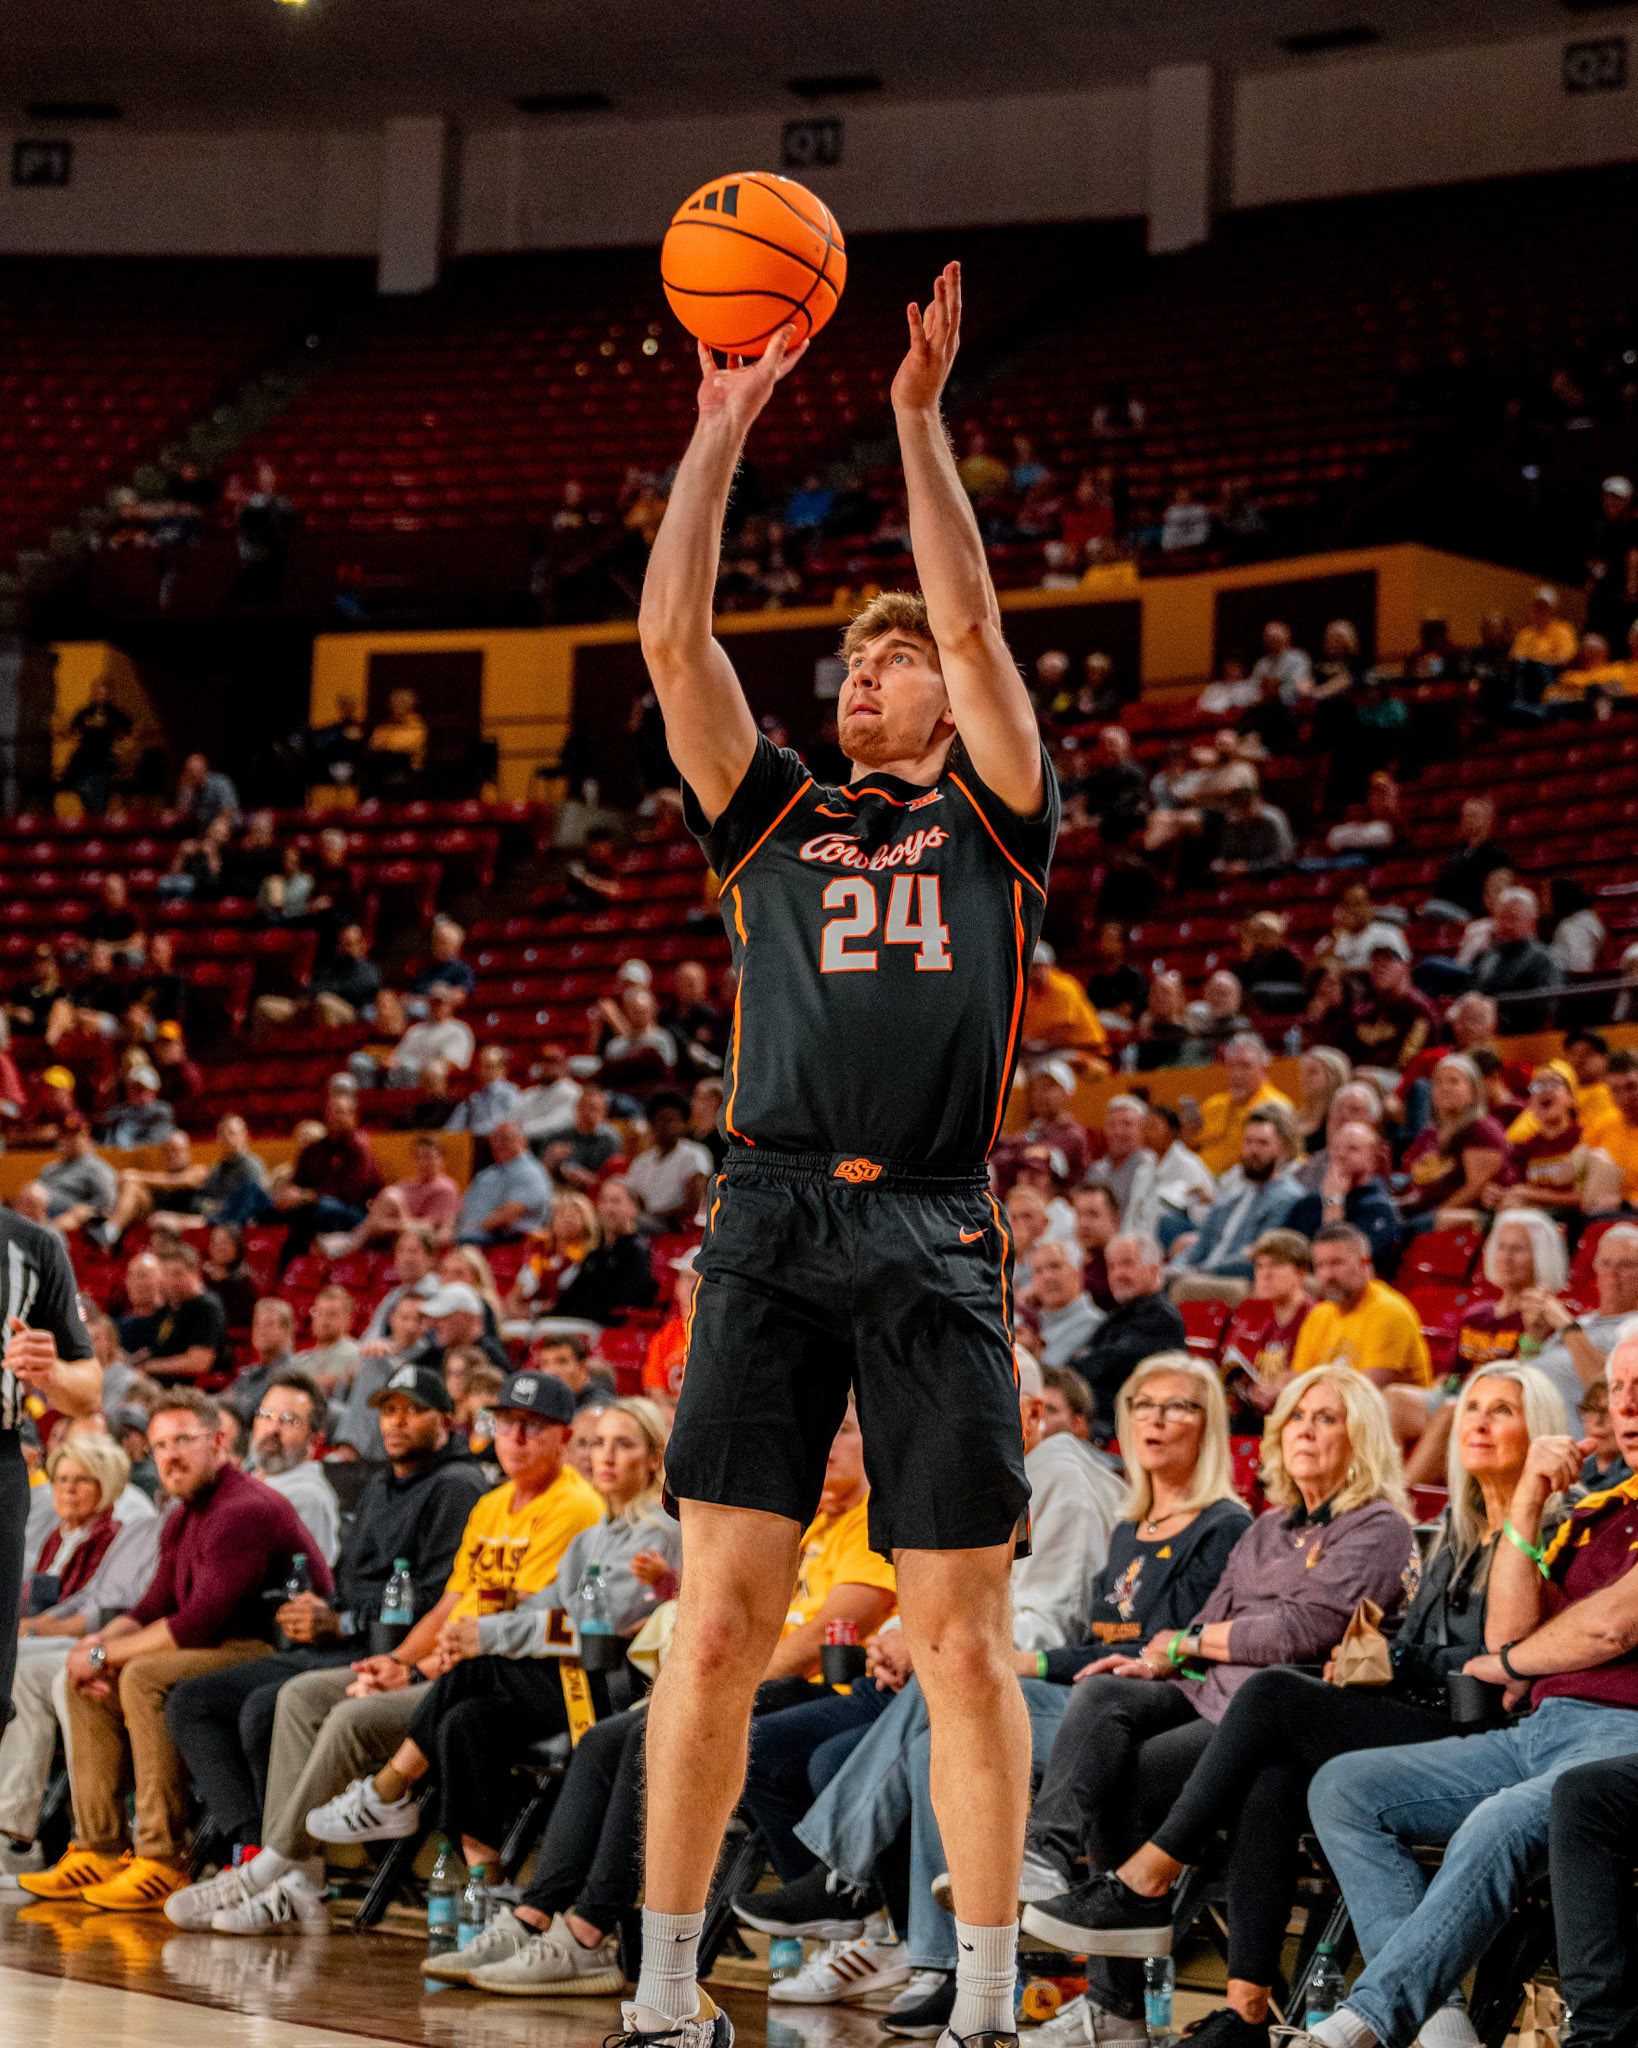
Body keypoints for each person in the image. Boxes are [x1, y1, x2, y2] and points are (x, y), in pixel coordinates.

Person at [629, 261, 1059, 2048]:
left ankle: (976, 1995)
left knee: (959, 1637)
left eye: (888, 659)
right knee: (715, 1627)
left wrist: (910, 420)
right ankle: (659, 1990)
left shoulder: (996, 810)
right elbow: (674, 643)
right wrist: (718, 431)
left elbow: (970, 635)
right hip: (765, 1214)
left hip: (935, 1222)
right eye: (854, 660)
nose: (867, 674)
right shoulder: (778, 821)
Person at [1047, 1364, 1565, 2048]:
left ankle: (1145, 1879)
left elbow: (1311, 1633)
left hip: (1477, 1729)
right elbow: (1397, 1645)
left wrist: (1406, 1658)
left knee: (1271, 1696)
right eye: (1473, 1408)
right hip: (1393, 1703)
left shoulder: (1494, 1529)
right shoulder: (1457, 1528)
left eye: (1502, 1410)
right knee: (1256, 1765)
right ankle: (1244, 2011)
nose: (1477, 1422)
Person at [734, 1355, 1123, 2024]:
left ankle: (873, 1907)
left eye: (974, 1401)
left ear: (1029, 1415)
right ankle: (920, 1950)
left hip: (1069, 1691)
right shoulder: (978, 1475)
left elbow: (1045, 1624)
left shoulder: (1058, 1474)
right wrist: (913, 1642)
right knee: (887, 1742)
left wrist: (923, 1644)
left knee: (934, 1708)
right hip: (978, 1679)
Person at [1020, 1368, 1417, 2023]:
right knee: (1103, 1694)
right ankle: (1048, 1855)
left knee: (1129, 1771)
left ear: (1363, 1437)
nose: (1306, 1432)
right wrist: (1158, 1657)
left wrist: (1187, 1645)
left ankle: (1117, 1990)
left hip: (1282, 1714)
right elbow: (1208, 1621)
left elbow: (1304, 1633)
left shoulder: (1378, 1526)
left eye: (1327, 1418)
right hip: (1211, 1691)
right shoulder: (1266, 1528)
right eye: (1295, 1418)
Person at [166, 1366, 602, 1936]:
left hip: (512, 1679)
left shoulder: (571, 1507)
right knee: (296, 1697)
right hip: (445, 1666)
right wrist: (399, 1664)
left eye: (533, 1427)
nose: (515, 1438)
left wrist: (413, 1667)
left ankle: (277, 1861)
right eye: (506, 1423)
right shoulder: (492, 1505)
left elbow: (507, 1624)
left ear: (563, 1439)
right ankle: (296, 1875)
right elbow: (449, 1607)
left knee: (349, 1716)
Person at [1301, 1333, 1638, 2048]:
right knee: (1345, 1788)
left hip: (1621, 1738)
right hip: (1540, 1729)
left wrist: (1517, 1661)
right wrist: (1525, 1506)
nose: (1629, 1406)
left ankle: (1373, 2016)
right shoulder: (1597, 1511)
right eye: (1618, 1391)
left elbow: (1611, 1629)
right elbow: (1504, 1636)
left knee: (1500, 1819)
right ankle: (1441, 2020)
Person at [304, 1398, 681, 1887]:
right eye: (597, 1444)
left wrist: (483, 1635)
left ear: (654, 1458)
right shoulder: (595, 1536)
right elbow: (542, 1603)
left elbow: (592, 1625)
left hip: (616, 1689)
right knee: (465, 1721)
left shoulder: (661, 1535)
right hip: (563, 1677)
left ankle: (389, 1788)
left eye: (623, 1445)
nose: (604, 1457)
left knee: (476, 1670)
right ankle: (488, 1883)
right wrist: (468, 1634)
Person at [162, 1364, 486, 1886]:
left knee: (264, 1709)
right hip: (339, 1639)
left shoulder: (457, 1486)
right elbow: (349, 1578)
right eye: (389, 1411)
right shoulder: (383, 1483)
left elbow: (434, 1598)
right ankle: (253, 1846)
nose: (397, 1423)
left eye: (413, 1411)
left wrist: (339, 1620)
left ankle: (290, 1864)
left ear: (445, 1418)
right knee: (193, 1702)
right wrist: (320, 1609)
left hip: (388, 1649)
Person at [18, 1390, 335, 1912]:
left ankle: (161, 1858)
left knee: (141, 1674)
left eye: (184, 1441)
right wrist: (94, 1648)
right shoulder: (186, 1513)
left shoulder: (244, 1508)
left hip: (274, 1649)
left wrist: (105, 1656)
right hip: (218, 1645)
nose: (170, 1456)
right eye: (161, 1445)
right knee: (79, 1677)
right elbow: (152, 1605)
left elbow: (197, 1622)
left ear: (217, 1442)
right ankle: (99, 1846)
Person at [1169, 1108, 1303, 1297]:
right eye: (1248, 1142)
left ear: (1282, 1148)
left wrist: (1200, 1271)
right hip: (1202, 1273)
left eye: (1262, 1143)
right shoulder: (1233, 1193)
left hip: (1234, 1279)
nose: (1253, 1150)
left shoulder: (1287, 1197)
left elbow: (1258, 1254)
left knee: (1183, 1287)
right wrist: (1175, 1269)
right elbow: (1201, 1245)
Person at [1067, 1233, 1187, 1440]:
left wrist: (1085, 1360)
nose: (1117, 1274)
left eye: (1127, 1264)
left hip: (1126, 1428)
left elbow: (1103, 1365)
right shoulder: (1118, 1316)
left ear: (1155, 1269)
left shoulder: (1163, 1320)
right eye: (1112, 1267)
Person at [1290, 1223, 1431, 1391]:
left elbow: (1366, 1392)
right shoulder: (1319, 1315)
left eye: (1337, 1263)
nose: (1328, 1275)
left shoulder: (1388, 1311)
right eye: (1320, 1266)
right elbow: (1298, 1380)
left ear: (1365, 1263)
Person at [1398, 1054, 1513, 1227]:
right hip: (1423, 1211)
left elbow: (1475, 1189)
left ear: (1473, 1091)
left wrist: (1434, 1216)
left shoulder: (1482, 1129)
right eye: (1438, 1082)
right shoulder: (1430, 1132)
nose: (1444, 1088)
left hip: (1465, 1218)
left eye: (1454, 1081)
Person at [247, 1373, 339, 1567]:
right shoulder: (250, 1480)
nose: (273, 1428)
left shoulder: (308, 1496)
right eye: (266, 1415)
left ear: (315, 1441)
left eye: (289, 1420)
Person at [1287, 1119, 1401, 1273]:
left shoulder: (1379, 1208)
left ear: (1373, 1160)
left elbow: (1340, 1267)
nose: (1341, 1154)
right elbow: (1283, 1250)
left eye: (1352, 1149)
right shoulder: (1308, 1203)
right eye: (1336, 1148)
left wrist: (1333, 1202)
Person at [552, 1177, 656, 1326]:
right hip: (577, 1325)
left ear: (633, 1209)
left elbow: (619, 1305)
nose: (608, 1208)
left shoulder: (638, 1253)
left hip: (607, 1331)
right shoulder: (596, 1255)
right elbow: (567, 1300)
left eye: (616, 1201)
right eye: (604, 1201)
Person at [1194, 1036, 1292, 1178]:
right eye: (1231, 1067)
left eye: (1245, 1066)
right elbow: (1194, 1145)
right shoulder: (1212, 1104)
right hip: (1200, 1180)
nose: (1237, 1074)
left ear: (1264, 1068)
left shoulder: (1276, 1107)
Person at [1469, 886, 1559, 1033]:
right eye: (1501, 917)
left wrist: (1498, 1006)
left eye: (1512, 918)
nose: (1505, 924)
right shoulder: (1487, 955)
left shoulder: (1544, 959)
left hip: (1520, 1034)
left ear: (1532, 921)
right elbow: (1470, 989)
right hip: (1479, 1029)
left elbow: (1546, 1005)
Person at [624, 1089, 713, 1230]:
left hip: (679, 1227)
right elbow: (632, 1197)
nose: (666, 1127)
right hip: (645, 1224)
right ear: (651, 1125)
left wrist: (656, 1217)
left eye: (671, 1120)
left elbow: (694, 1206)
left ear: (684, 1123)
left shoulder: (695, 1155)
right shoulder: (641, 1161)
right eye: (659, 1121)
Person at [145, 1242, 232, 1385]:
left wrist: (147, 1367)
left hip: (185, 1388)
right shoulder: (169, 1307)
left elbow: (198, 1363)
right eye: (166, 1274)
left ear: (195, 1274)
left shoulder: (207, 1308)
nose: (171, 1281)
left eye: (177, 1274)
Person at [455, 1121, 554, 1247]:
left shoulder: (530, 1173)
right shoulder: (487, 1173)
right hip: (471, 1236)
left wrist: (471, 1228)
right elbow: (462, 1207)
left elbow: (508, 1214)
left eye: (505, 1139)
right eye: (494, 1140)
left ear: (523, 1141)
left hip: (505, 1241)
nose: (499, 1145)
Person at [1022, 943, 1108, 1068]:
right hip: (1046, 1051)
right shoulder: (1030, 992)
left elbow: (1063, 1034)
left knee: (1042, 1067)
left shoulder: (1063, 987)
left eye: (1037, 967)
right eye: (1030, 968)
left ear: (1050, 966)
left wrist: (1036, 1044)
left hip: (1083, 1049)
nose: (1033, 972)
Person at [28, 1115, 118, 1236]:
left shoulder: (96, 1168)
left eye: (75, 1136)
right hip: (38, 1213)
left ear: (88, 1138)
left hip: (69, 1215)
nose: (69, 1140)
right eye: (65, 1136)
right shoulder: (51, 1168)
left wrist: (83, 1212)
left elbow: (106, 1203)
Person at [1023, 1241, 1102, 1368]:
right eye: (1038, 1271)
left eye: (1055, 1266)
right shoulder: (1026, 1324)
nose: (1047, 1277)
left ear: (1077, 1273)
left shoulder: (1095, 1324)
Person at [1084, 1095, 1155, 1225]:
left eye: (1127, 1124)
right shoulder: (1097, 1170)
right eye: (1112, 1125)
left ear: (1142, 1128)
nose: (1118, 1131)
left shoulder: (1150, 1167)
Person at [446, 1043, 523, 1138]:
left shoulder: (508, 1093)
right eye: (481, 1065)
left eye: (489, 1066)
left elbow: (502, 1125)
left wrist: (471, 1133)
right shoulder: (475, 1097)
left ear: (502, 1068)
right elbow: (451, 1130)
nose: (483, 1070)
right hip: (476, 1145)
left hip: (499, 1145)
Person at [296, 1285, 361, 1397]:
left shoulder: (359, 1354)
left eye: (332, 1314)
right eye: (319, 1313)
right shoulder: (299, 1360)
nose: (324, 1321)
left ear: (348, 1319)